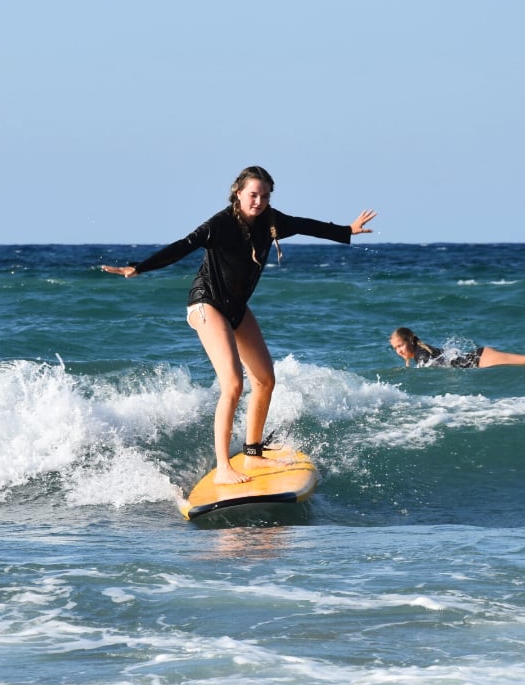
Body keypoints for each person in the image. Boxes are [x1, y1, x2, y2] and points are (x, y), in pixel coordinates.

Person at [102, 165, 376, 485]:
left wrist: (346, 230)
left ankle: (252, 453)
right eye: (252, 195)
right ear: (238, 193)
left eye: (264, 196)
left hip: (236, 307)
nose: (258, 201)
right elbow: (182, 245)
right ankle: (222, 468)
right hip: (207, 304)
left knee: (265, 380)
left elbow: (304, 225)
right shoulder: (220, 224)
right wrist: (139, 267)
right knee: (233, 384)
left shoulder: (271, 222)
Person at [389, 326, 525, 368]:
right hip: (479, 357)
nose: (399, 350)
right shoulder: (421, 351)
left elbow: (433, 370)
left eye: (400, 345)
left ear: (410, 341)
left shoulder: (420, 355)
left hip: (480, 361)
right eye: (395, 348)